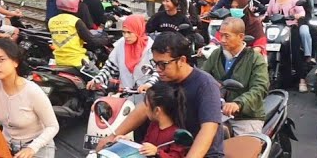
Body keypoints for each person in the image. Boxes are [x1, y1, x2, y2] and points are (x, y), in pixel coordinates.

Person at [96, 32, 225, 158]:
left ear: (181, 60)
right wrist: (113, 136)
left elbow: (208, 130)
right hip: (166, 150)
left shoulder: (206, 85)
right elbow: (145, 107)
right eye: (155, 63)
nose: (158, 69)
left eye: (163, 64)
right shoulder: (165, 79)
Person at [0, 38, 59, 158]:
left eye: (1, 60)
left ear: (15, 62)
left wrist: (32, 148)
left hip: (37, 148)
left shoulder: (32, 91)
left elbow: (52, 126)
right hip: (6, 146)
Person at [199, 16, 270, 135]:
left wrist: (238, 103)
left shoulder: (255, 58)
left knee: (242, 150)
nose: (222, 40)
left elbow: (260, 88)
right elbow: (202, 77)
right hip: (216, 112)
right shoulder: (216, 54)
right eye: (221, 35)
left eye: (227, 36)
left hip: (246, 117)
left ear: (241, 37)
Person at [90, 14, 158, 92]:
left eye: (129, 32)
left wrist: (148, 84)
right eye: (124, 32)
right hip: (125, 94)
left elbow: (158, 71)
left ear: (138, 30)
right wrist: (97, 80)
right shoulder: (121, 45)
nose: (126, 36)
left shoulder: (151, 47)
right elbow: (110, 68)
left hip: (145, 96)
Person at [267, 0, 313, 90]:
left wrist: (297, 16)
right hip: (276, 29)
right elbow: (268, 13)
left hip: (291, 28)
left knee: (295, 52)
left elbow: (302, 11)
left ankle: (302, 79)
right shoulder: (273, 0)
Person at [48, 0, 109, 69]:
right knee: (98, 77)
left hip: (58, 61)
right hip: (77, 62)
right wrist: (106, 39)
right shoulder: (76, 21)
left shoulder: (51, 21)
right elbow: (91, 40)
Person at [139, 82, 190, 158]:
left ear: (157, 110)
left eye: (146, 105)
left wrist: (157, 152)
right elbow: (144, 146)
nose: (145, 109)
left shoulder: (177, 135)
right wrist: (127, 143)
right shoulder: (153, 125)